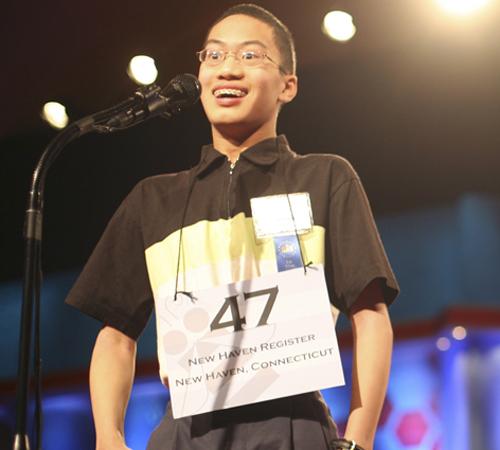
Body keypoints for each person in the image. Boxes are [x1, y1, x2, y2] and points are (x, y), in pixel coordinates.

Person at [66, 4, 399, 450]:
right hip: (183, 429)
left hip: (292, 424)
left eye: (250, 56)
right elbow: (116, 334)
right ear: (199, 77)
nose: (228, 70)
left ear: (288, 85)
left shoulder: (324, 178)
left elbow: (370, 315)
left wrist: (358, 439)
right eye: (214, 56)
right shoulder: (154, 199)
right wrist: (109, 438)